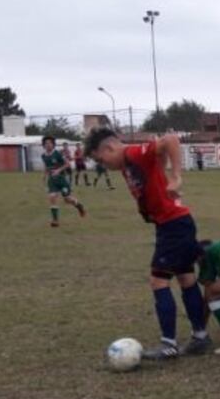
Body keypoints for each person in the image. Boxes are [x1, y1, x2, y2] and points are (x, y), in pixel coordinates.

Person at [85, 128, 211, 359]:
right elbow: (156, 162)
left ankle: (168, 345)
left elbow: (171, 139)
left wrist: (176, 177)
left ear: (109, 148)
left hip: (173, 225)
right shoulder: (127, 163)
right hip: (174, 223)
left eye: (101, 159)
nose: (103, 165)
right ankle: (200, 337)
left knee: (158, 281)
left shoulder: (134, 153)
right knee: (186, 278)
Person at [41, 135, 86, 227]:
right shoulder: (43, 156)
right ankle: (55, 221)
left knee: (67, 199)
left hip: (62, 179)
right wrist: (44, 176)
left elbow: (67, 164)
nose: (48, 145)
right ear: (43, 145)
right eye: (46, 143)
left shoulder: (58, 154)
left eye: (50, 143)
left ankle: (79, 206)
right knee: (52, 197)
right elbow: (46, 166)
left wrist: (58, 170)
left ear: (53, 145)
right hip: (52, 180)